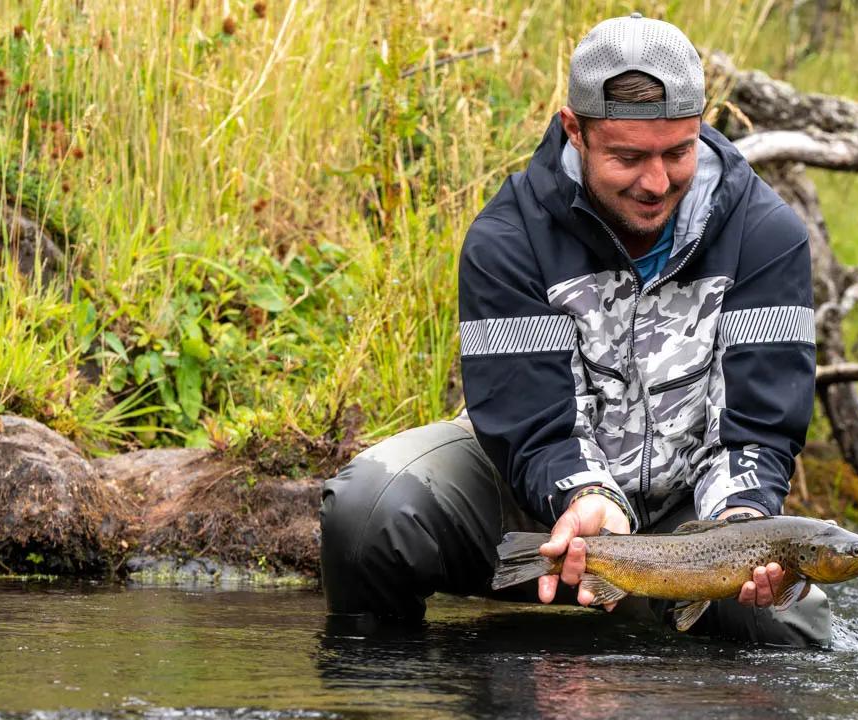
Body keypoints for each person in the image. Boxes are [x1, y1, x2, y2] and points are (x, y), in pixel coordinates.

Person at [320, 14, 829, 647]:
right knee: (368, 512)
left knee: (792, 626)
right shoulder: (507, 239)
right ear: (574, 131)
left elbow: (757, 428)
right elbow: (532, 420)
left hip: (687, 520)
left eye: (678, 152)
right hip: (529, 499)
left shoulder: (767, 237)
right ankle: (375, 687)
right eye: (627, 157)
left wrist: (741, 522)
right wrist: (585, 494)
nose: (656, 182)